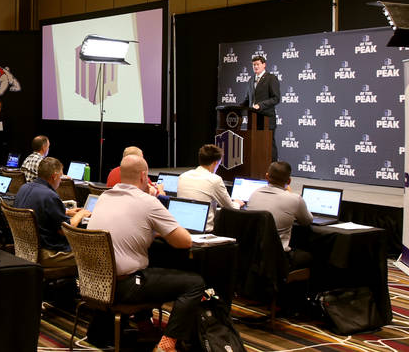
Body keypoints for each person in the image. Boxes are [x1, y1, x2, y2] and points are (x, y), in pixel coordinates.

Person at [87, 155, 204, 352]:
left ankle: (145, 326)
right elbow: (184, 241)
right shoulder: (147, 202)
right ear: (144, 176)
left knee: (146, 266)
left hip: (95, 283)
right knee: (194, 283)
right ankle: (168, 344)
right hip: (123, 287)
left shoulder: (104, 197)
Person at [13, 156, 91, 267]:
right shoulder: (50, 196)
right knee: (93, 254)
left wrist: (65, 212)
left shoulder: (24, 188)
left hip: (25, 249)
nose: (61, 180)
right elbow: (65, 230)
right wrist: (80, 214)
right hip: (46, 253)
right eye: (60, 176)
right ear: (54, 176)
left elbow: (40, 213)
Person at [246, 161, 314, 268]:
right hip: (279, 258)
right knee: (309, 256)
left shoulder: (254, 194)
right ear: (289, 181)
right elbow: (307, 221)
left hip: (252, 255)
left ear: (267, 177)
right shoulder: (294, 199)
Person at [177, 144, 241, 231]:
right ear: (215, 163)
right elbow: (230, 208)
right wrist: (237, 203)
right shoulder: (215, 180)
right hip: (204, 232)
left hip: (181, 229)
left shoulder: (183, 176)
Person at [241, 54, 280, 160]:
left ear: (264, 65)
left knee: (268, 145)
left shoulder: (271, 78)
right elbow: (247, 100)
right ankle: (258, 170)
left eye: (257, 64)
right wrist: (238, 109)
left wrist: (260, 105)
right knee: (255, 146)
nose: (255, 66)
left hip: (266, 119)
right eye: (253, 65)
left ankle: (273, 170)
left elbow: (276, 98)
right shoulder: (250, 80)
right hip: (253, 120)